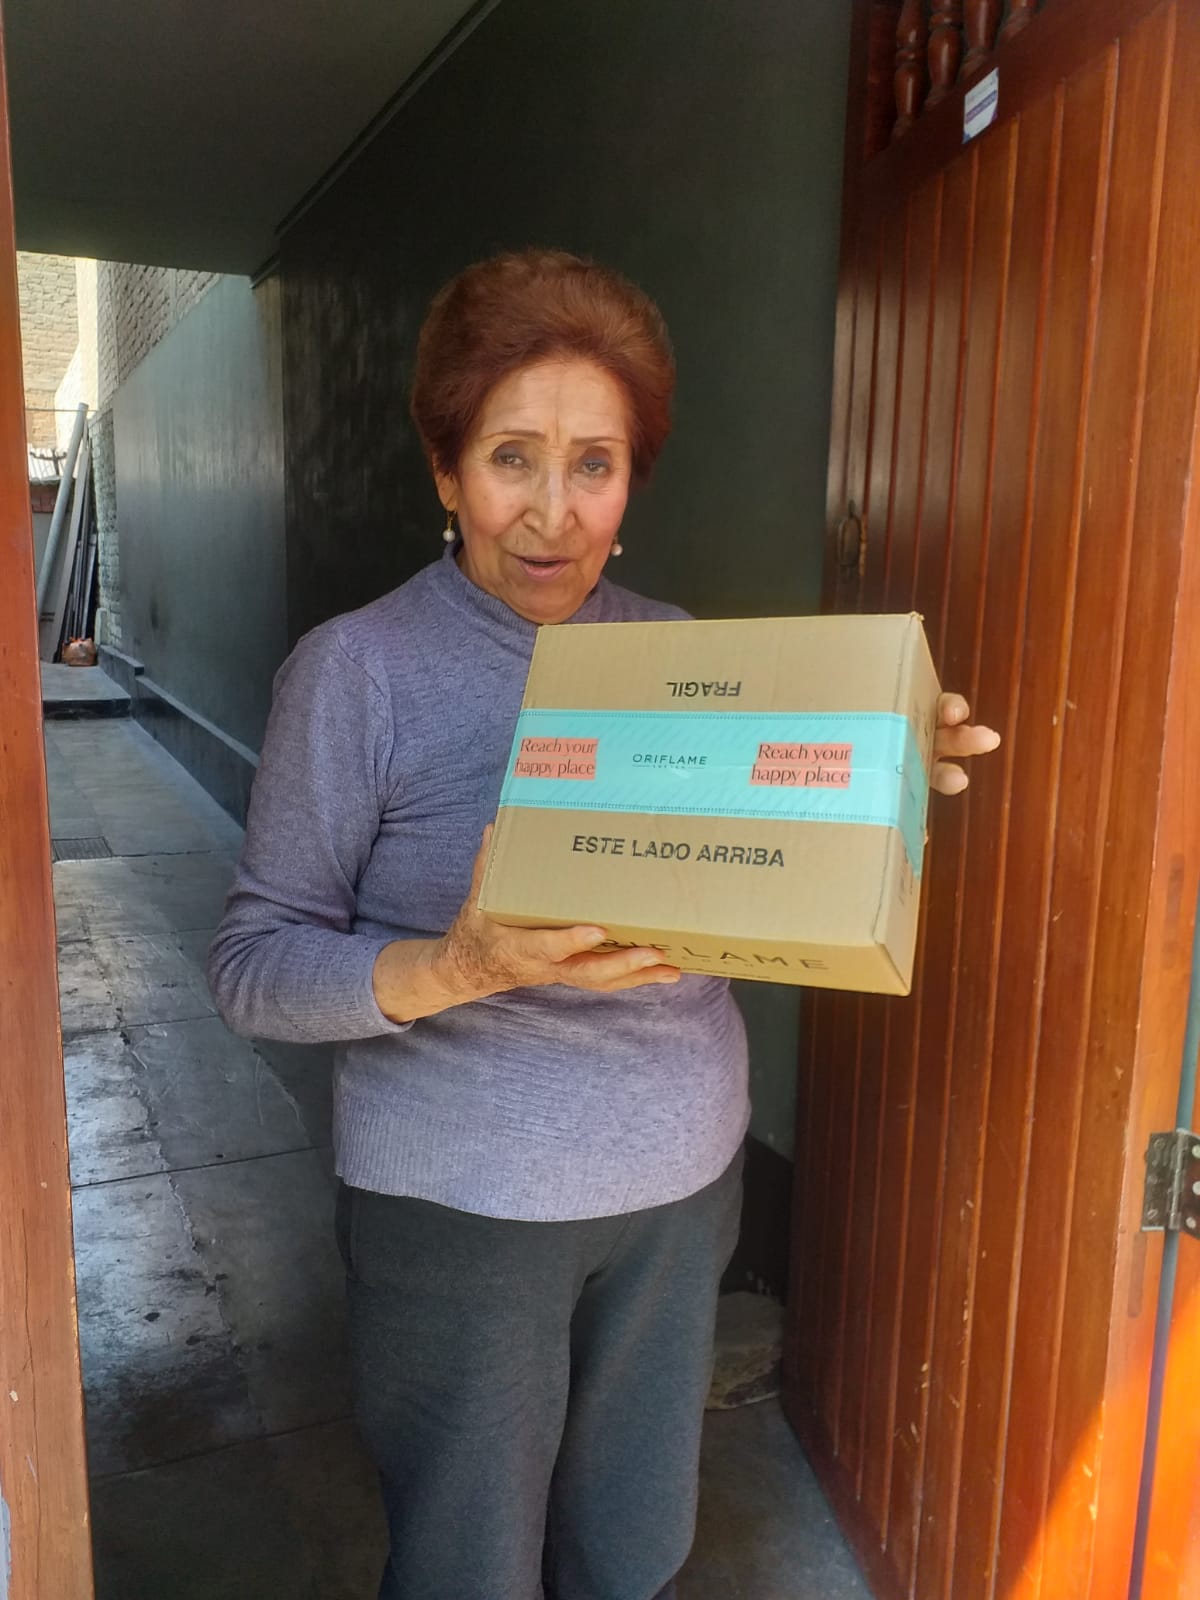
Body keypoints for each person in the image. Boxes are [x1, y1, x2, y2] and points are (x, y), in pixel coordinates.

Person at [207, 248, 998, 1600]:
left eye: (595, 465)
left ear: (632, 485)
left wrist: (877, 773)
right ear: (445, 471)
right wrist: (455, 966)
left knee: (631, 1551)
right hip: (466, 1206)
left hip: (680, 1185)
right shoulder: (361, 672)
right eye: (511, 458)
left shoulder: (672, 652)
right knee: (467, 1563)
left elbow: (754, 858)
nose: (551, 514)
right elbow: (252, 966)